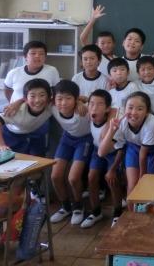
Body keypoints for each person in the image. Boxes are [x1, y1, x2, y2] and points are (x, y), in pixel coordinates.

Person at [98, 92, 154, 202]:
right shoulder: (121, 121)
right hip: (133, 148)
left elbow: (143, 154)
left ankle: (144, 210)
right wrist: (111, 131)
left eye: (140, 109)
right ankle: (133, 211)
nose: (134, 112)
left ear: (147, 112)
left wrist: (142, 177)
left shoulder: (153, 123)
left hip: (152, 151)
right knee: (132, 186)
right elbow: (101, 153)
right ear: (124, 108)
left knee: (147, 186)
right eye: (130, 108)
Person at [49, 80, 93, 226]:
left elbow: (99, 102)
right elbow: (32, 99)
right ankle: (66, 207)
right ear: (54, 99)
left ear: (75, 98)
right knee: (55, 176)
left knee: (73, 178)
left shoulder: (84, 109)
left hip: (84, 140)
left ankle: (78, 207)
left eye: (68, 98)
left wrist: (81, 101)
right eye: (59, 99)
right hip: (67, 139)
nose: (63, 103)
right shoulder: (52, 107)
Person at [81, 89, 123, 228]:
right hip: (96, 150)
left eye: (100, 104)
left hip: (113, 152)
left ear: (107, 109)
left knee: (112, 180)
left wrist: (112, 169)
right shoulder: (89, 114)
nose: (94, 107)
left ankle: (117, 213)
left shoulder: (113, 124)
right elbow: (78, 101)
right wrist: (80, 101)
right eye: (92, 104)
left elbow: (118, 109)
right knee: (91, 177)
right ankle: (96, 212)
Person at [0, 78, 52, 155]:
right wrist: (1, 145)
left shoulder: (52, 106)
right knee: (3, 158)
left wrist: (19, 101)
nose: (37, 100)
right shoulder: (17, 111)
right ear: (26, 99)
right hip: (7, 133)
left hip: (28, 133)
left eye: (42, 95)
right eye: (32, 96)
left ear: (49, 97)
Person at [78, 5, 116, 75]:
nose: (106, 45)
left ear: (114, 44)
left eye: (109, 42)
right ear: (97, 45)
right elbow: (83, 38)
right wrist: (93, 19)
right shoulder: (95, 56)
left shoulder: (117, 59)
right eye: (102, 43)